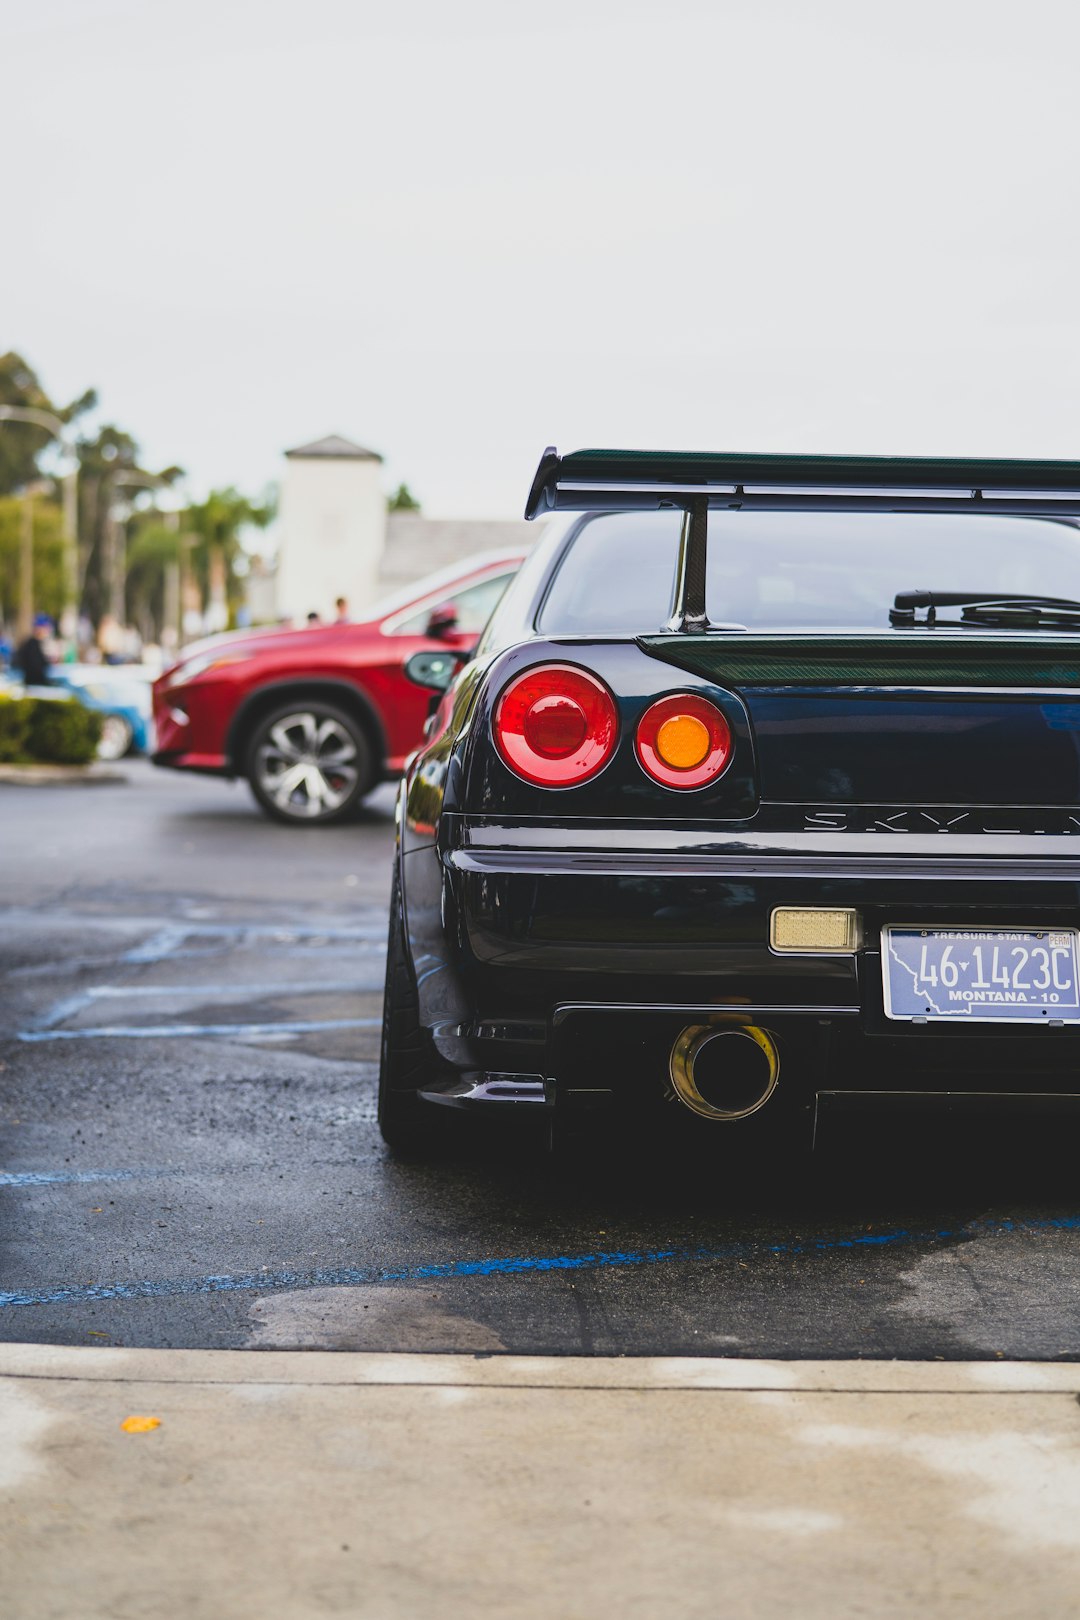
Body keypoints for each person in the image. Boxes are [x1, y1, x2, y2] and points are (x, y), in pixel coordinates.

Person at [13, 614, 53, 686]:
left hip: (34, 683)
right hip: (34, 684)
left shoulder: (34, 644)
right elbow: (37, 668)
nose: (48, 631)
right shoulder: (32, 645)